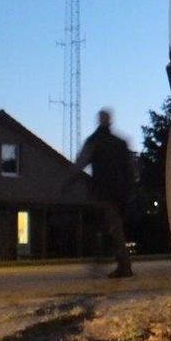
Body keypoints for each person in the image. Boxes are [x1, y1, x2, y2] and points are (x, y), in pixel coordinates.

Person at [68, 108, 135, 278]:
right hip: (120, 193)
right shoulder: (120, 143)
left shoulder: (94, 141)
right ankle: (113, 260)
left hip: (103, 192)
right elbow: (130, 169)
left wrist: (69, 181)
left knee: (111, 226)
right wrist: (130, 189)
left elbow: (80, 163)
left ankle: (122, 265)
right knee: (112, 226)